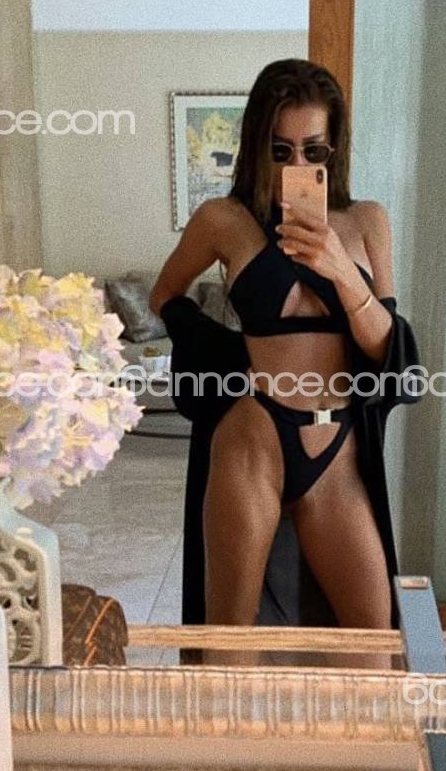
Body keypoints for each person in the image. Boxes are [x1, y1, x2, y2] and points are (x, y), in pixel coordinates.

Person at [150, 58, 421, 631]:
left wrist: (341, 270)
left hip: (338, 447)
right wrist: (227, 358)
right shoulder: (224, 220)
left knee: (374, 638)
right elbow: (165, 295)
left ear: (333, 150)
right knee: (230, 635)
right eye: (281, 151)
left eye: (312, 150)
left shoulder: (367, 221)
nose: (297, 166)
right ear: (257, 148)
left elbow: (385, 350)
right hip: (255, 433)